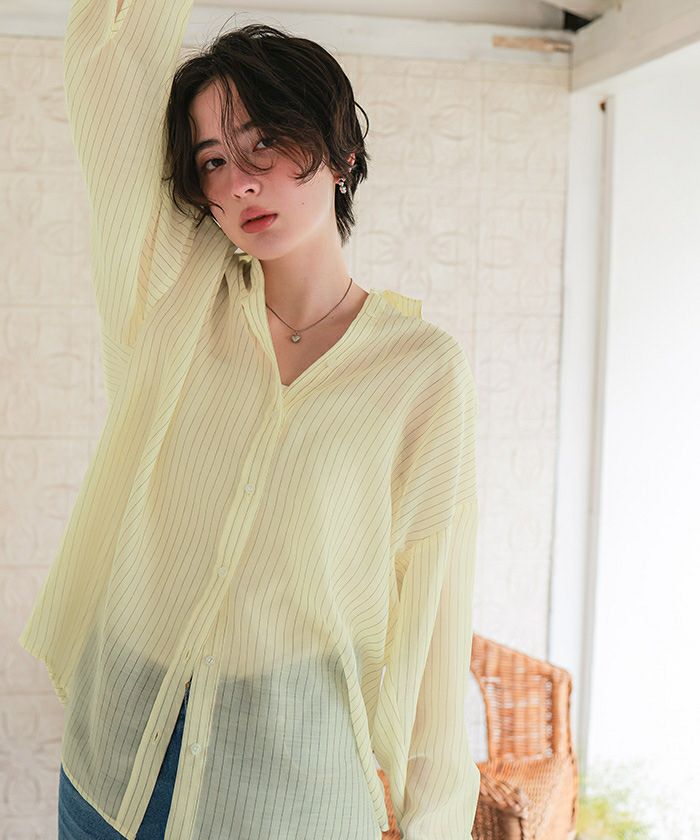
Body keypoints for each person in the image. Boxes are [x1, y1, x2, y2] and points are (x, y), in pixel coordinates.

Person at [18, 1, 482, 839]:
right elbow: (108, 60)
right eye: (212, 161)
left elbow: (436, 622)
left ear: (340, 153)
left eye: (264, 142)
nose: (238, 181)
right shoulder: (172, 308)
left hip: (286, 795)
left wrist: (434, 821)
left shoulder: (422, 372)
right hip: (113, 769)